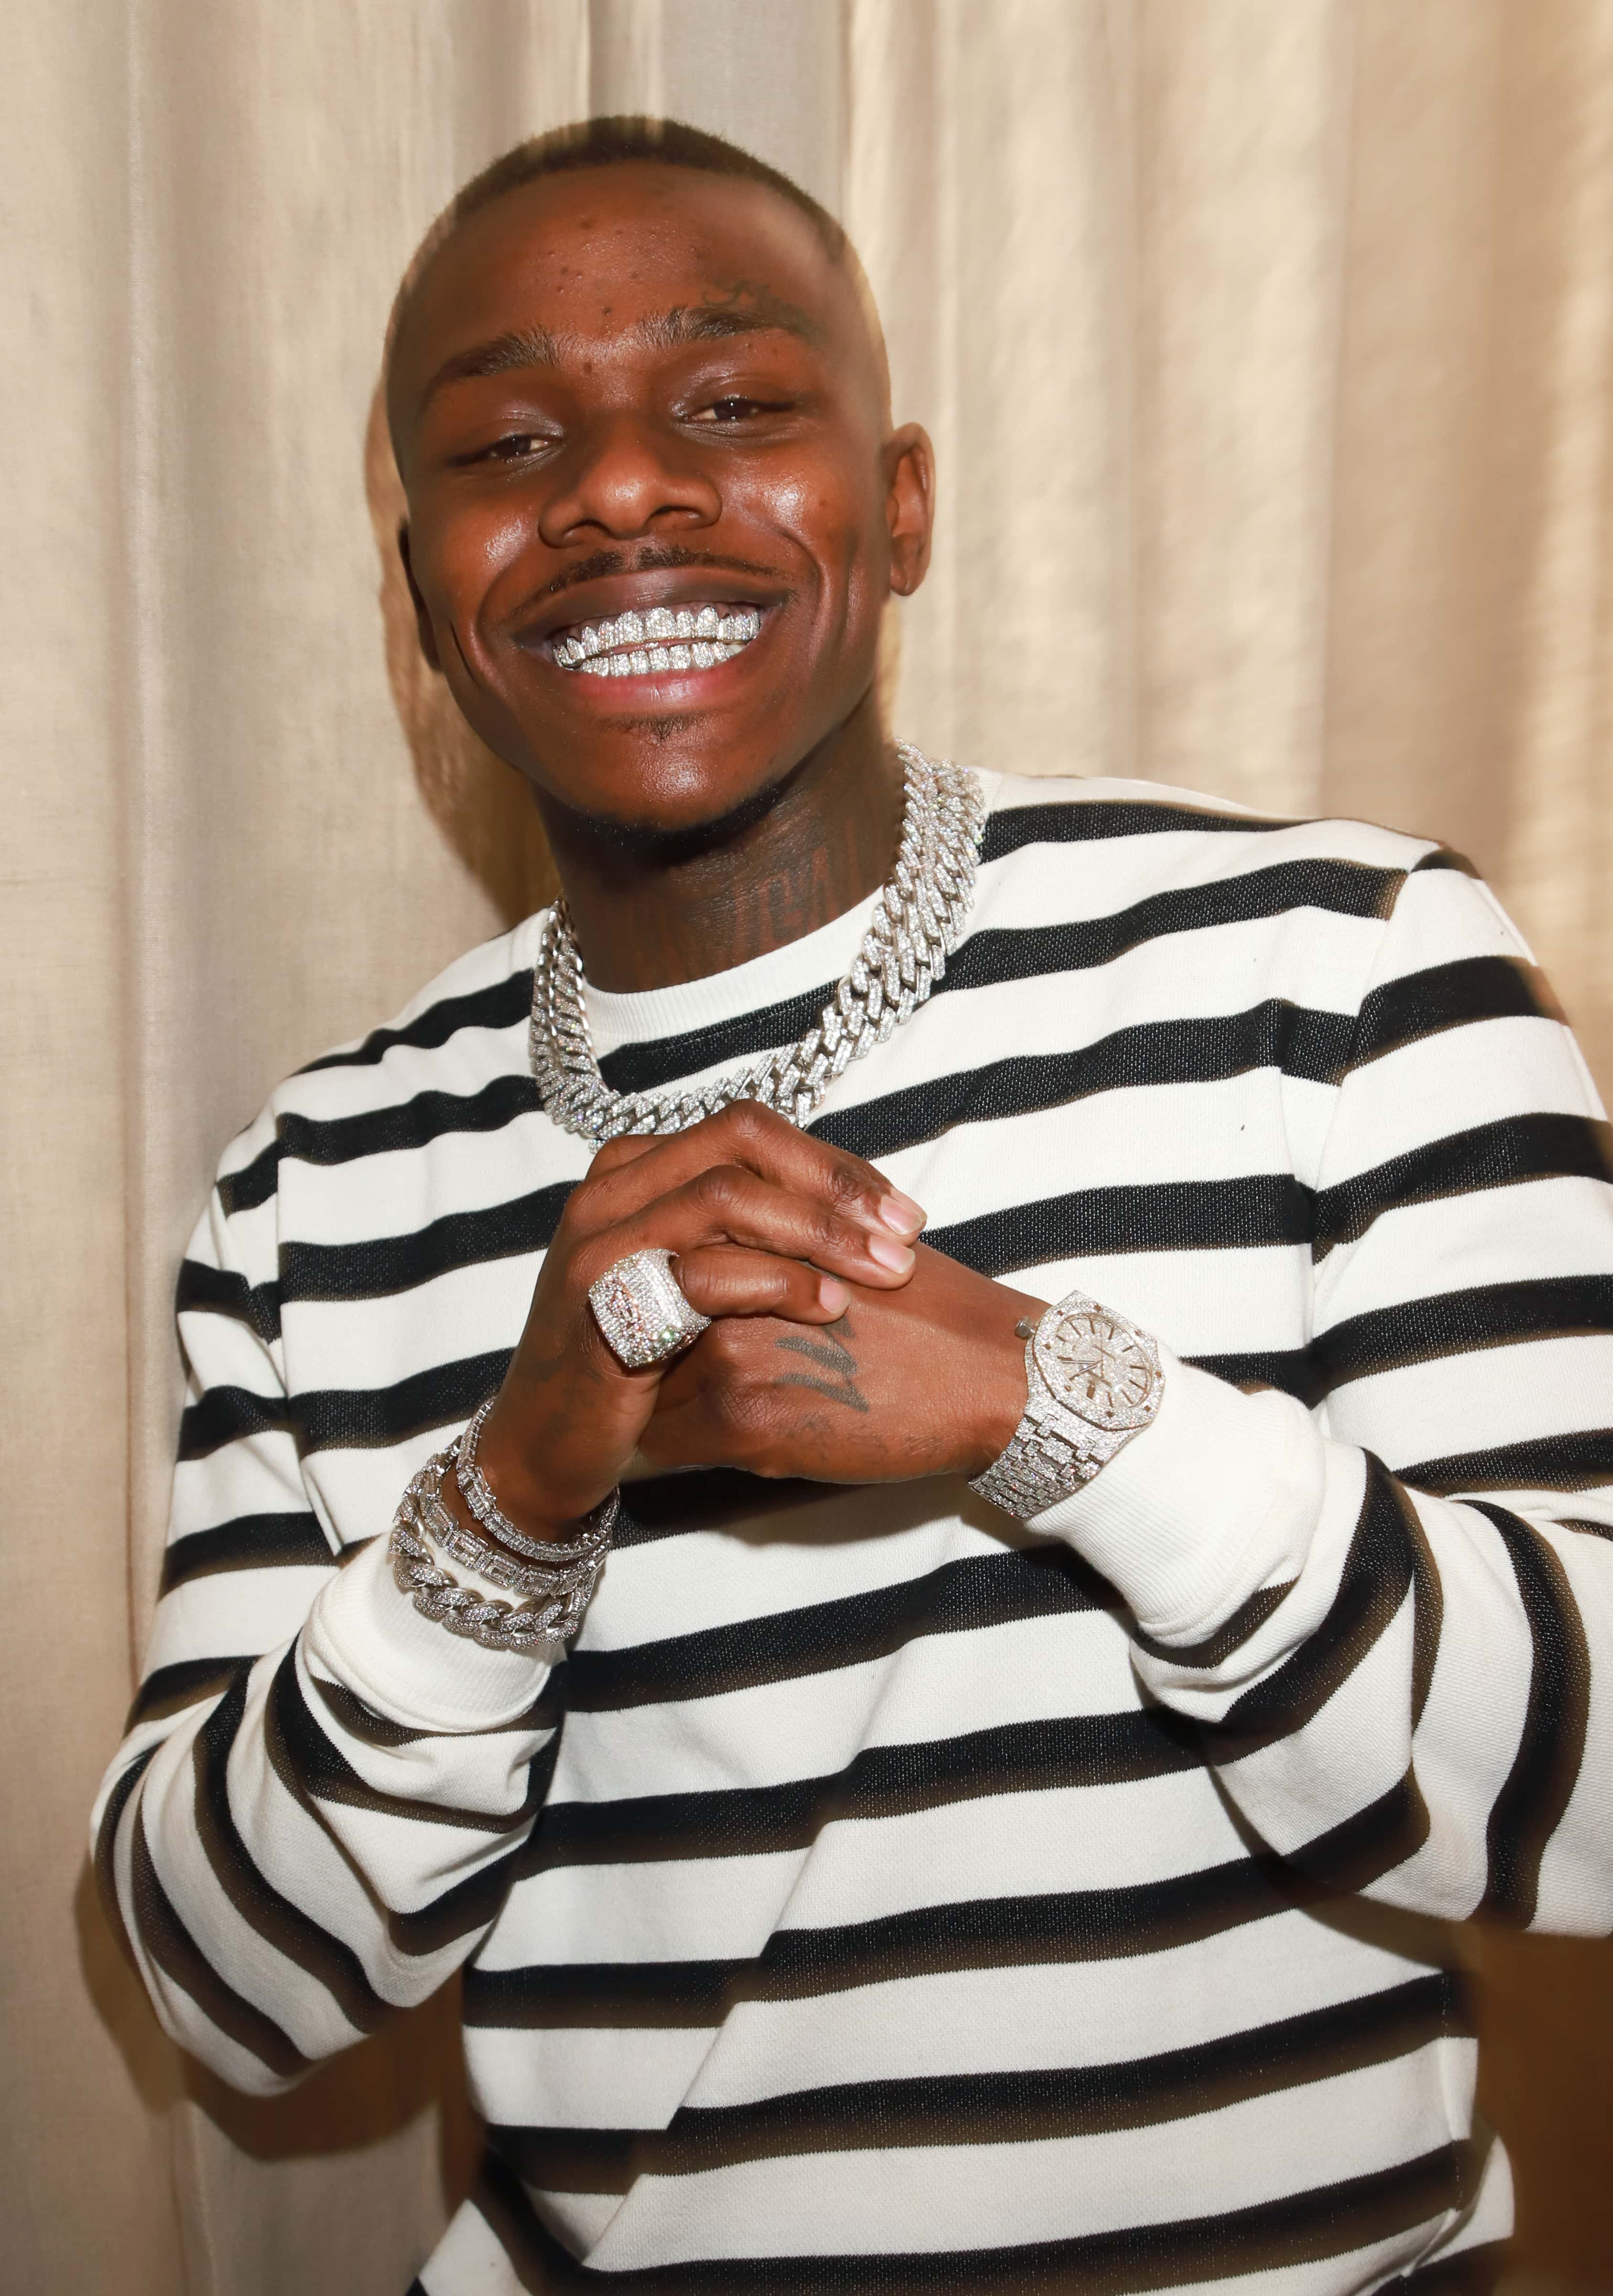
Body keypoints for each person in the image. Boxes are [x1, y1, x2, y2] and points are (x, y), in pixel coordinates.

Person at [93, 115, 1613, 2296]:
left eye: (731, 404)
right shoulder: (313, 1185)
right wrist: (507, 1504)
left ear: (901, 507)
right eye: (511, 444)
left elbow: (1593, 1802)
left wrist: (1052, 1406)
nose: (623, 488)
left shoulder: (1339, 964)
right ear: (424, 593)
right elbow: (228, 1994)